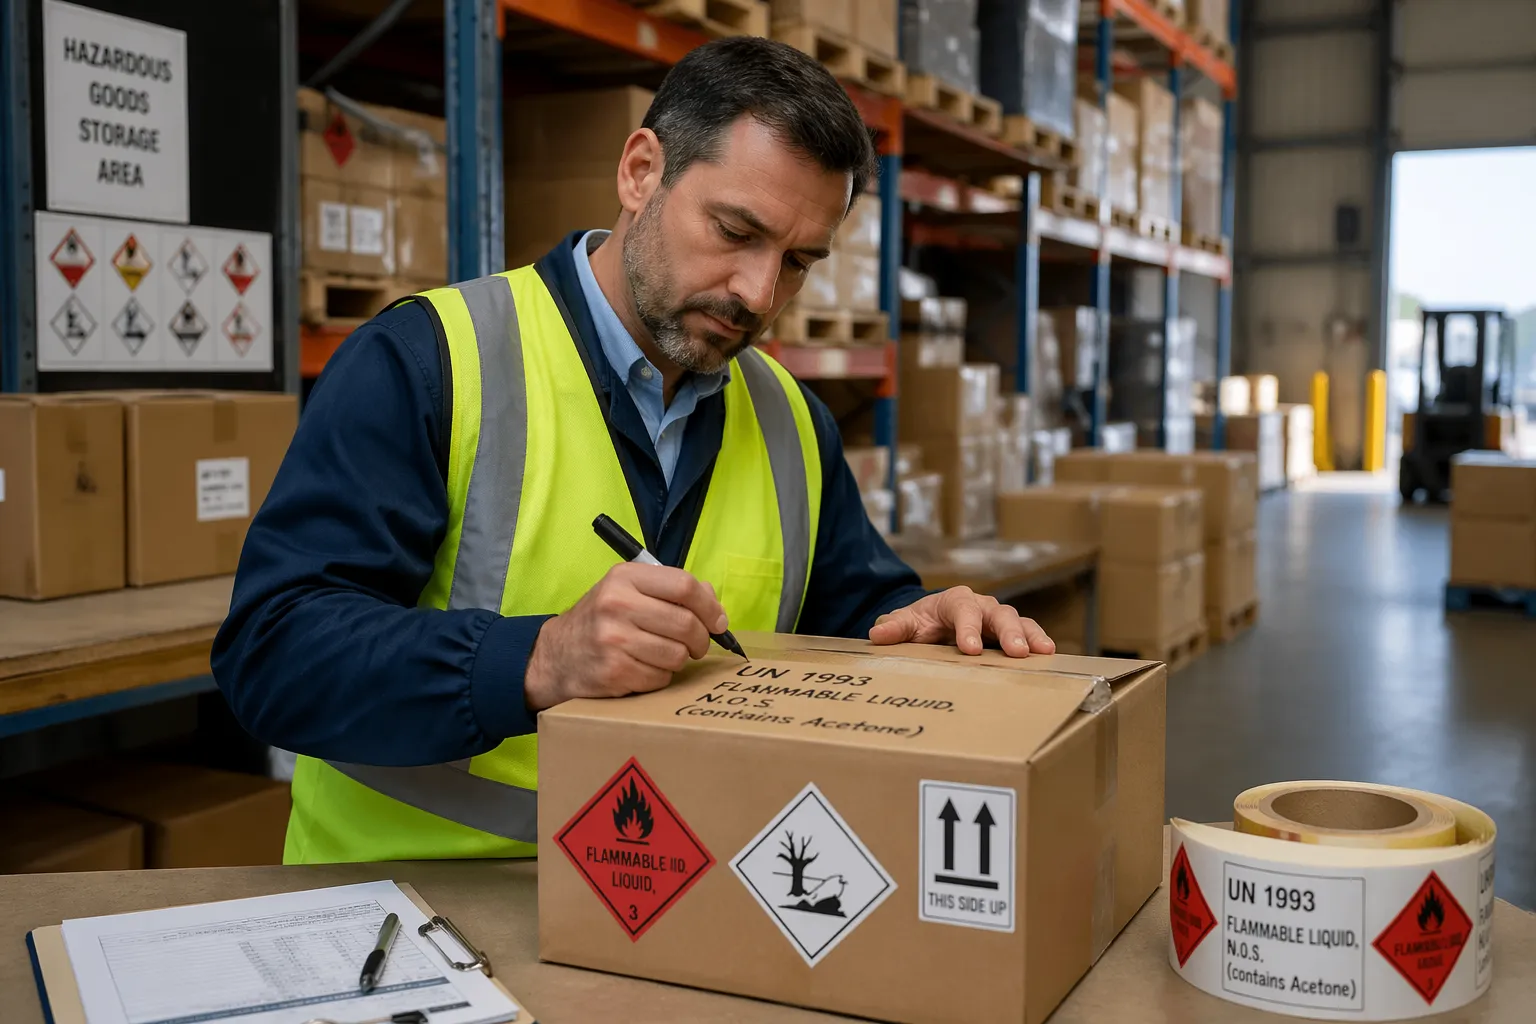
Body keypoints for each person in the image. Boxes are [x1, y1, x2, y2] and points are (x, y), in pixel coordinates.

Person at [213, 36, 1053, 865]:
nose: (759, 294)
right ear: (640, 172)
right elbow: (272, 652)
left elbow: (849, 621)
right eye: (735, 231)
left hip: (678, 921)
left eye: (798, 262)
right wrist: (539, 658)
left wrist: (925, 627)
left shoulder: (793, 421)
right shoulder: (430, 363)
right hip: (417, 919)